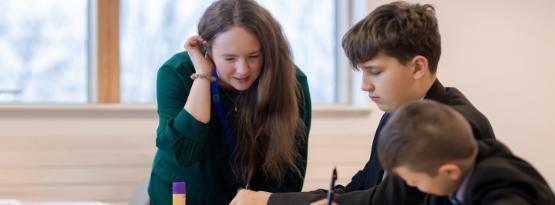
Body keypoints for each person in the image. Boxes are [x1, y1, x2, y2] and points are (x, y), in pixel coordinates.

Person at [230, 1, 496, 204]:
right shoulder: (395, 116)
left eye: (376, 72)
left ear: (417, 67)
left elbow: (385, 200)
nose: (365, 86)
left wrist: (269, 200)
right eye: (362, 73)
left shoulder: (455, 125)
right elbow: (361, 187)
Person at [147, 0, 312, 204]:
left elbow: (290, 173)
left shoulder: (291, 82)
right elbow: (183, 154)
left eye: (254, 56)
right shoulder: (176, 73)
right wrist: (203, 76)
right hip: (181, 198)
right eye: (230, 58)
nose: (242, 69)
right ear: (206, 49)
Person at [324, 100, 555, 204]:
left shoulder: (502, 188)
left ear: (449, 171)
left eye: (414, 181)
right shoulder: (448, 182)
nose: (412, 187)